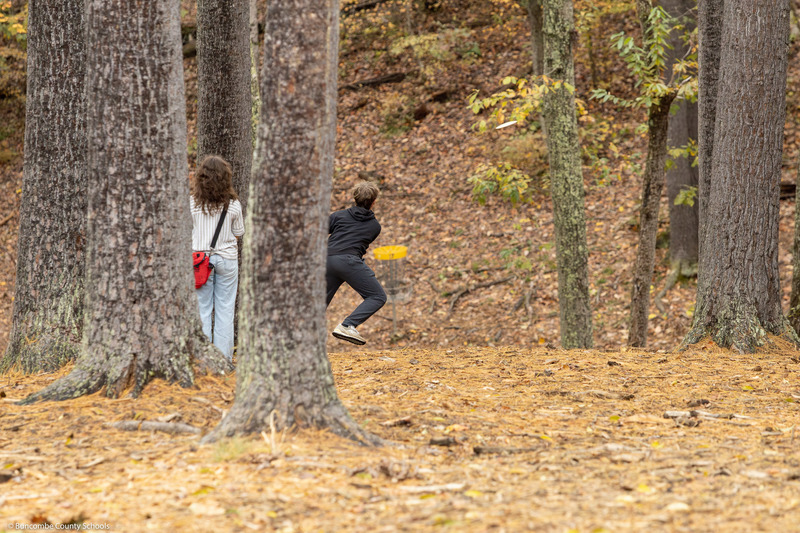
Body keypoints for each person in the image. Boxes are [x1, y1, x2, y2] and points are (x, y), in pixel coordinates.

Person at [191, 155, 245, 361]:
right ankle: (223, 360)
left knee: (202, 309)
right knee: (225, 310)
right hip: (227, 260)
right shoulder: (233, 205)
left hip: (199, 262)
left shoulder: (191, 204)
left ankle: (204, 360)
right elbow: (239, 232)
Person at [327, 181, 387, 345]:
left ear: (354, 198)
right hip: (349, 262)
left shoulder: (337, 216)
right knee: (377, 296)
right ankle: (347, 325)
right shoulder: (374, 226)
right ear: (374, 201)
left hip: (327, 260)